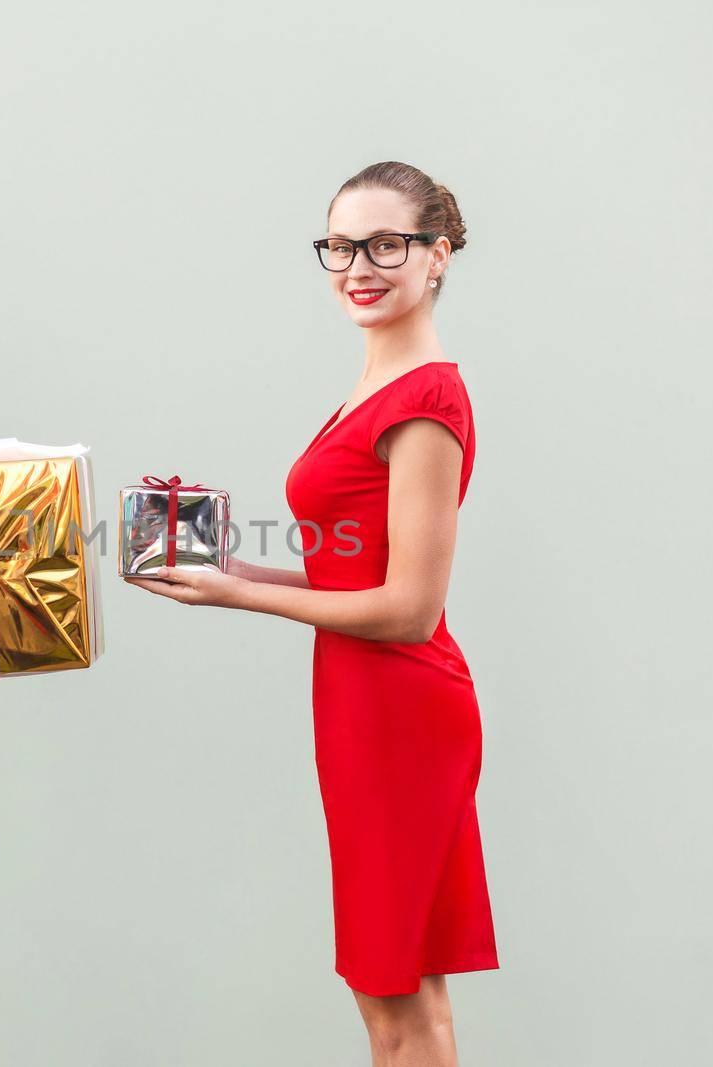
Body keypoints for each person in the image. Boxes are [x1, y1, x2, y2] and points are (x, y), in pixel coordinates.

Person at [127, 161, 498, 1066]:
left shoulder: (426, 402)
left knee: (396, 1001)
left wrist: (242, 594)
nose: (358, 266)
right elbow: (352, 570)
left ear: (437, 254)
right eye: (340, 245)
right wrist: (228, 564)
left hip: (401, 708)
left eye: (385, 244)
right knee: (401, 996)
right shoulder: (375, 387)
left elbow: (411, 608)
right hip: (362, 702)